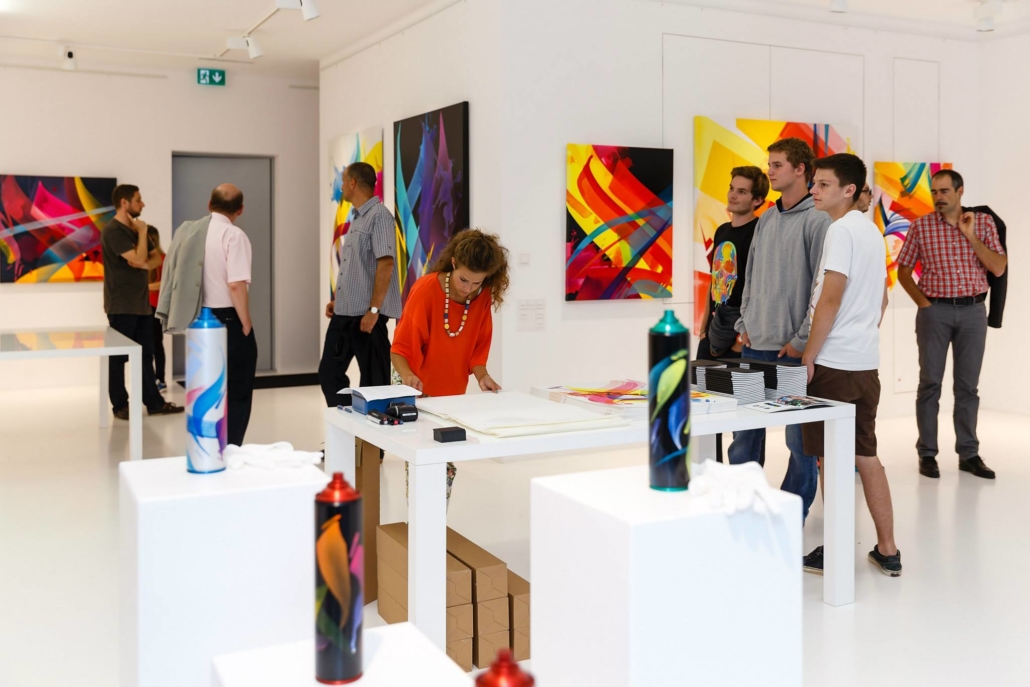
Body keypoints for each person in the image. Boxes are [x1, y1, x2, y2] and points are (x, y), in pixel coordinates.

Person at [801, 154, 900, 577]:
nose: (814, 190)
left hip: (834, 364)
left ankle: (837, 548)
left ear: (848, 190)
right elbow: (882, 298)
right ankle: (888, 549)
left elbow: (831, 297)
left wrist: (810, 353)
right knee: (866, 455)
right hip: (864, 363)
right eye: (815, 183)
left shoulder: (840, 231)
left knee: (830, 458)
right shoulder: (872, 232)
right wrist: (861, 336)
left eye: (823, 184)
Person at [731, 138, 830, 521]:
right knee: (744, 437)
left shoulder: (818, 220)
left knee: (799, 443)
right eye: (770, 164)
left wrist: (802, 341)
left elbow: (821, 287)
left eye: (777, 165)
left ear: (800, 169)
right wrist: (744, 322)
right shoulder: (768, 219)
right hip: (754, 345)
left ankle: (791, 518)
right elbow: (750, 276)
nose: (769, 171)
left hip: (790, 352)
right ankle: (743, 511)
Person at [897, 169, 1007, 479]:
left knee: (967, 387)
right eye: (934, 192)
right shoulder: (921, 226)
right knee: (930, 384)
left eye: (944, 191)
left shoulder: (983, 223)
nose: (938, 197)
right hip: (935, 312)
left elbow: (998, 267)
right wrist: (924, 304)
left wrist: (970, 235)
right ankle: (927, 454)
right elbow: (903, 271)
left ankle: (969, 454)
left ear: (960, 191)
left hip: (973, 312)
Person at [390, 229, 508, 504]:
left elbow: (479, 345)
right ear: (453, 263)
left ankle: (431, 520)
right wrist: (408, 378)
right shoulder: (427, 290)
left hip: (451, 386)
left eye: (476, 282)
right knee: (422, 458)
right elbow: (401, 348)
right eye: (463, 279)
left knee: (445, 461)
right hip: (412, 378)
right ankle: (422, 520)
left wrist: (482, 375)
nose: (468, 288)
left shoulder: (481, 295)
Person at [319, 162, 401, 407]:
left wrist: (374, 310)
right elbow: (359, 267)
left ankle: (369, 431)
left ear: (352, 183)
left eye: (344, 182)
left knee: (375, 383)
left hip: (367, 318)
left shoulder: (379, 216)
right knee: (329, 374)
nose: (341, 187)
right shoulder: (358, 218)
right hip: (345, 314)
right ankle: (347, 424)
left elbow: (386, 263)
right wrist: (340, 300)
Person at [100, 184, 183, 420]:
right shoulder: (113, 231)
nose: (142, 204)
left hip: (141, 304)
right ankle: (120, 405)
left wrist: (142, 257)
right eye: (138, 200)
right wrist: (143, 235)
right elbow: (139, 258)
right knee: (119, 357)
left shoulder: (135, 230)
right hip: (121, 305)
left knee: (146, 354)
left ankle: (154, 403)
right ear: (124, 203)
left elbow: (154, 260)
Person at [200, 184, 257, 447]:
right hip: (228, 321)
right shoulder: (234, 235)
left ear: (209, 205)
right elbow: (235, 284)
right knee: (237, 391)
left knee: (207, 389)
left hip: (201, 320)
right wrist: (246, 322)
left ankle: (207, 446)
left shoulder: (195, 233)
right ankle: (231, 448)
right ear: (240, 210)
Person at [696, 165, 768, 360]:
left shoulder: (759, 232)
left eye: (742, 192)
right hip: (712, 332)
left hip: (738, 335)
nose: (733, 195)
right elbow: (714, 280)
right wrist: (703, 331)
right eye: (731, 188)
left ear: (757, 200)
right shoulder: (722, 230)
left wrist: (739, 341)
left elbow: (761, 289)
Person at [147, 225, 167, 391]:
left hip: (155, 306)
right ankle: (151, 379)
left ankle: (160, 378)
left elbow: (165, 284)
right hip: (142, 306)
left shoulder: (163, 258)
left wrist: (143, 287)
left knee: (156, 344)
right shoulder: (142, 261)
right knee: (147, 345)